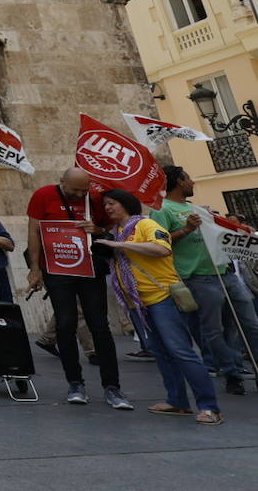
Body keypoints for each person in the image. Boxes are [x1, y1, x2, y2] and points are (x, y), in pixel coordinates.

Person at [97, 188, 221, 425]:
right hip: (138, 302)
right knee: (161, 352)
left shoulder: (145, 224)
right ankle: (177, 401)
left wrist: (121, 246)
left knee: (181, 351)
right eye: (106, 205)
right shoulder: (116, 232)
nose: (108, 208)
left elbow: (162, 249)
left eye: (112, 203)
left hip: (162, 296)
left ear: (126, 203)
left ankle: (209, 407)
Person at [26, 167, 130, 409]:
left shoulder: (94, 198)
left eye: (84, 189)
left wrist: (98, 230)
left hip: (90, 267)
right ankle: (75, 383)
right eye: (75, 190)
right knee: (65, 324)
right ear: (62, 182)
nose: (80, 194)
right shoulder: (43, 195)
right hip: (56, 268)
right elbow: (33, 231)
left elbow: (112, 228)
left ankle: (112, 387)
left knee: (99, 326)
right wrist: (34, 268)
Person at [152, 166, 258, 396]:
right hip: (199, 278)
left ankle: (250, 367)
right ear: (179, 182)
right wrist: (187, 229)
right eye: (188, 178)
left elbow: (219, 229)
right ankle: (232, 372)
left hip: (224, 272)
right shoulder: (162, 210)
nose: (193, 182)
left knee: (248, 323)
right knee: (213, 330)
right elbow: (160, 242)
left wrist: (242, 231)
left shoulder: (195, 207)